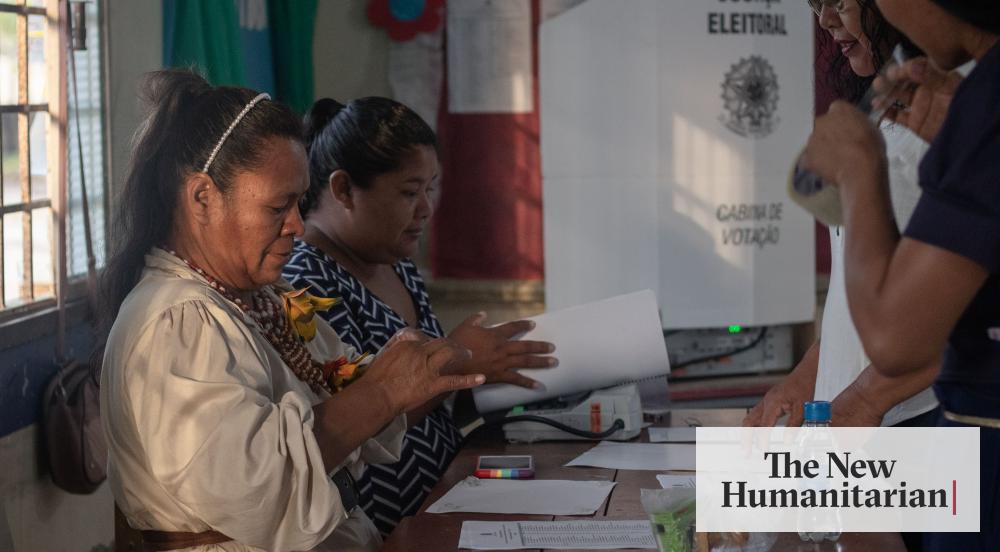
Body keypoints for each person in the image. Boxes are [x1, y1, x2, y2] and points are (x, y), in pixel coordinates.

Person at [99, 69, 485, 552]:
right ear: (202, 197)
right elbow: (253, 484)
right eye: (277, 208)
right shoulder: (178, 319)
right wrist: (384, 391)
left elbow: (346, 389)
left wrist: (415, 369)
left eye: (299, 204)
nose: (298, 228)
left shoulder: (257, 298)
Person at [282, 97, 557, 535]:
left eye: (431, 188)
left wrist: (495, 373)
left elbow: (429, 403)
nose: (427, 209)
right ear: (343, 189)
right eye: (410, 192)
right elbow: (343, 427)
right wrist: (459, 362)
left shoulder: (396, 262)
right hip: (382, 527)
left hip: (451, 497)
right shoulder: (303, 282)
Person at [802, 1, 1000, 549]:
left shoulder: (987, 99)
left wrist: (858, 168)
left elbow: (895, 342)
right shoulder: (970, 98)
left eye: (840, 0)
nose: (826, 21)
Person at [745, 0, 939, 432]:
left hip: (913, 421)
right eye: (816, 6)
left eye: (839, 2)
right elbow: (861, 296)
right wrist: (803, 380)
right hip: (853, 419)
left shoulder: (946, 117)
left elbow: (957, 311)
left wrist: (868, 398)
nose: (826, 21)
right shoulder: (877, 105)